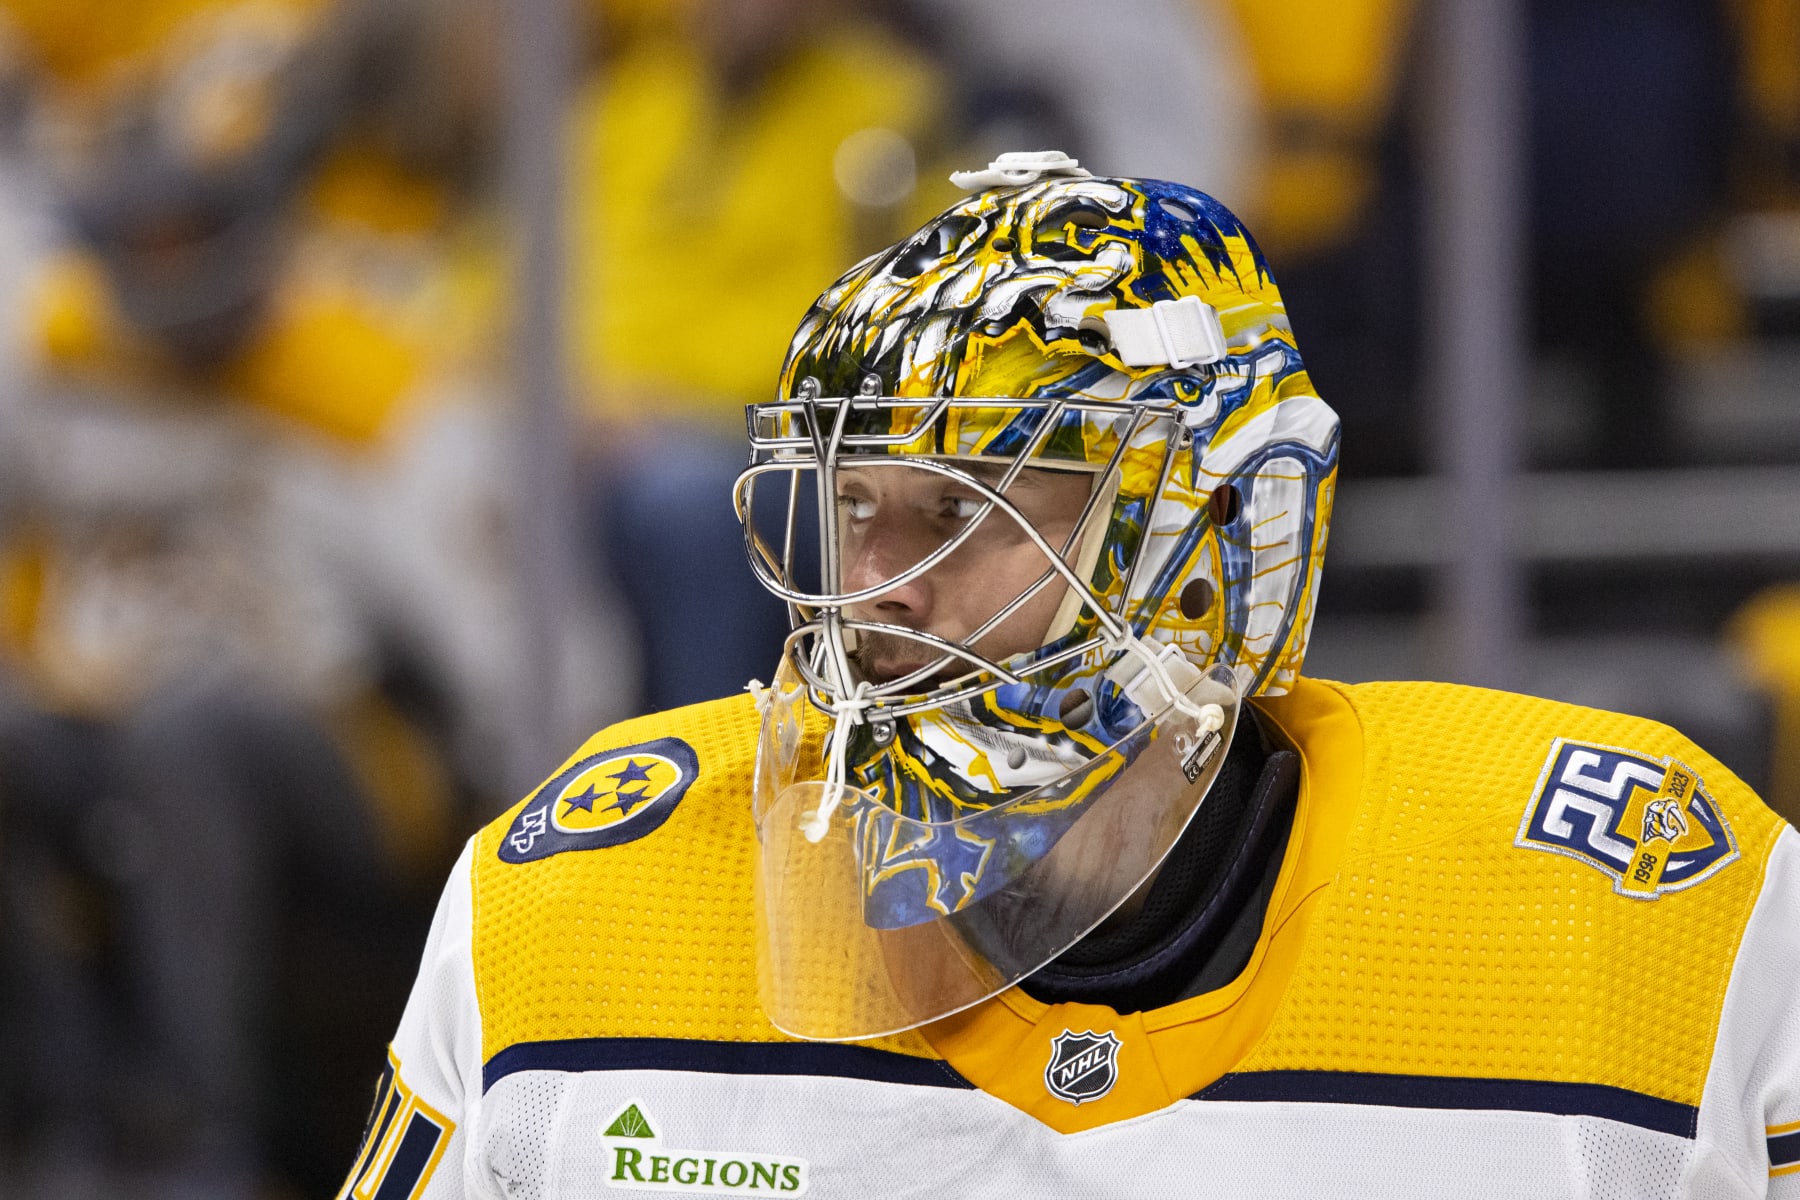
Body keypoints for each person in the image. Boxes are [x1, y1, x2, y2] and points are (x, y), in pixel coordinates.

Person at [342, 153, 1800, 1198]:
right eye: (856, 506)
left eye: (969, 509)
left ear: (1236, 532)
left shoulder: (1649, 918)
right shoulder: (574, 914)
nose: (883, 595)